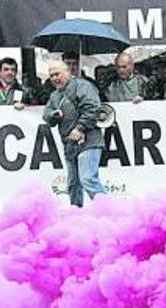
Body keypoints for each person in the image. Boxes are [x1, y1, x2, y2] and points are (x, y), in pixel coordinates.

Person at [43, 60, 106, 207]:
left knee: (88, 179)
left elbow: (93, 108)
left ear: (67, 72)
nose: (54, 78)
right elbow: (46, 115)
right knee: (73, 184)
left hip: (89, 140)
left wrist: (80, 128)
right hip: (70, 144)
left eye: (57, 74)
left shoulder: (83, 86)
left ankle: (109, 212)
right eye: (51, 75)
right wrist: (53, 114)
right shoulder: (54, 96)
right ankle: (75, 216)